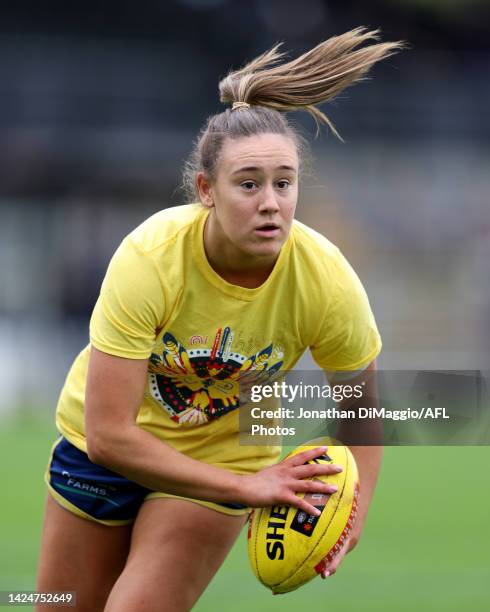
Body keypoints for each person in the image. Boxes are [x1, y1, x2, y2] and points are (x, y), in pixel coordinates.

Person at [36, 27, 403, 612]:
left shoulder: (326, 279)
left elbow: (360, 410)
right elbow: (109, 434)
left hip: (228, 454)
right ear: (206, 190)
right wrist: (250, 488)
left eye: (285, 184)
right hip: (103, 451)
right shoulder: (151, 256)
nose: (271, 203)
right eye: (249, 184)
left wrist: (350, 515)